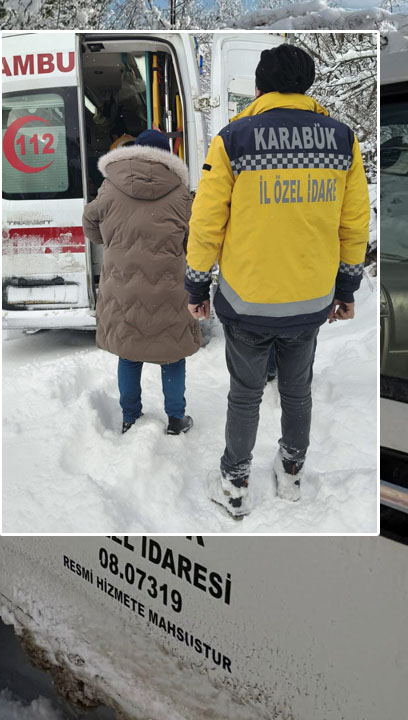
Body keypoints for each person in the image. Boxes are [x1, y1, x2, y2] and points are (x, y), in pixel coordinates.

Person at [186, 44, 370, 519]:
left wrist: (196, 285)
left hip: (246, 301)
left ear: (259, 86)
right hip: (309, 302)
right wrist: (346, 289)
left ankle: (234, 483)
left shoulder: (233, 139)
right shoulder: (342, 140)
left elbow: (207, 222)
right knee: (297, 390)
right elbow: (353, 223)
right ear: (307, 84)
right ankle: (291, 472)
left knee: (245, 394)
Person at [83, 129, 201, 437]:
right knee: (172, 352)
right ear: (167, 156)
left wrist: (110, 242)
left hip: (122, 285)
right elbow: (194, 237)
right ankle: (176, 419)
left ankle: (130, 416)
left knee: (129, 352)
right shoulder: (180, 193)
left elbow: (89, 220)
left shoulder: (111, 186)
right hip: (169, 287)